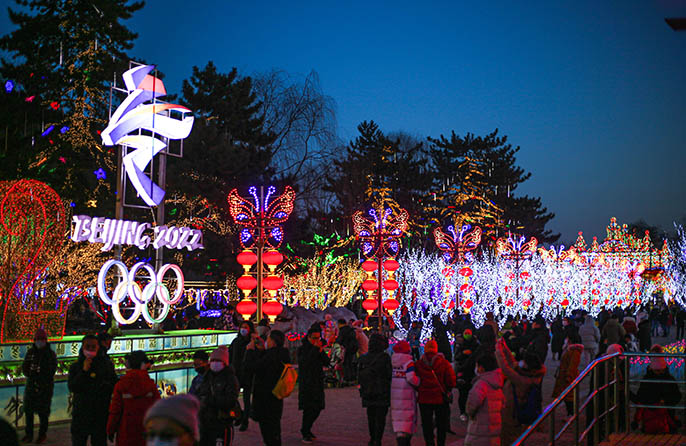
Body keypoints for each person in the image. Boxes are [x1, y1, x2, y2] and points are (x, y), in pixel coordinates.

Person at [68, 334, 117, 446]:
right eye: (87, 346)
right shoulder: (76, 366)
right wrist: (84, 371)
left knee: (99, 441)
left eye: (93, 347)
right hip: (81, 414)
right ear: (82, 347)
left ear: (98, 347)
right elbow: (73, 387)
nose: (90, 349)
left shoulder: (106, 365)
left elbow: (113, 384)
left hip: (100, 414)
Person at [495, 338, 546, 446]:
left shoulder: (521, 380)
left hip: (512, 413)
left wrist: (498, 350)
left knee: (509, 438)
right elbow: (512, 362)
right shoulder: (532, 375)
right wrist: (505, 348)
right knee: (518, 437)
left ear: (527, 365)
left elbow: (505, 367)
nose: (521, 362)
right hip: (518, 412)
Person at [244, 330, 291, 446]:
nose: (267, 341)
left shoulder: (271, 356)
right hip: (276, 396)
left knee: (268, 431)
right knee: (274, 428)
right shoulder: (282, 354)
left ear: (273, 342)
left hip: (265, 398)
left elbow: (252, 367)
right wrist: (263, 351)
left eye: (268, 339)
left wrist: (249, 351)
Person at [106, 350, 159, 446]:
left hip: (125, 433)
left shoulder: (121, 385)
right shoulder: (150, 385)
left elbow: (115, 411)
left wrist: (110, 430)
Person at [415, 339, 456, 446]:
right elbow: (451, 380)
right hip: (440, 397)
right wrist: (448, 389)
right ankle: (441, 443)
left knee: (426, 423)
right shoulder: (443, 362)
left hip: (424, 398)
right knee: (441, 423)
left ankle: (429, 443)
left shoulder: (419, 364)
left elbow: (415, 381)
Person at [197, 346, 240, 446]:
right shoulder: (207, 376)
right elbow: (201, 393)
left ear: (224, 362)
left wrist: (210, 400)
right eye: (213, 360)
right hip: (205, 423)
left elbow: (230, 400)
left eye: (218, 360)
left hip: (221, 423)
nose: (215, 363)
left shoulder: (230, 378)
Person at [21, 328, 57, 444]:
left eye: (42, 339)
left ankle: (42, 434)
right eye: (38, 339)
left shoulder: (50, 354)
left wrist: (40, 378)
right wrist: (32, 375)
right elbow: (25, 368)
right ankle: (29, 434)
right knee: (29, 411)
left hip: (45, 387)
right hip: (31, 386)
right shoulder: (30, 353)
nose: (40, 342)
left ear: (46, 340)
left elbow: (51, 371)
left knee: (43, 413)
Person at [632, 354, 682, 433]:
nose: (659, 373)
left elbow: (677, 396)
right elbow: (641, 397)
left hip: (666, 416)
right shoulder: (647, 380)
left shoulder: (669, 379)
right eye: (657, 371)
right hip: (651, 417)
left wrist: (665, 401)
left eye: (661, 370)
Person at [358, 333, 393, 446]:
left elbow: (359, 375)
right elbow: (389, 374)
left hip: (367, 391)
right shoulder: (384, 358)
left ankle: (372, 438)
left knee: (371, 416)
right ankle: (378, 439)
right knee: (380, 417)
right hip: (382, 391)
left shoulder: (363, 358)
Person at [297, 327, 330, 443]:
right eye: (314, 338)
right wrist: (315, 349)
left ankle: (307, 429)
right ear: (309, 337)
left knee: (318, 407)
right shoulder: (303, 349)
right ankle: (305, 431)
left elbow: (327, 362)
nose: (316, 340)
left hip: (317, 381)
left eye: (318, 338)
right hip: (307, 382)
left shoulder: (319, 348)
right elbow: (305, 362)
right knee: (308, 408)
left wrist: (321, 351)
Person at [464, 353, 505, 446]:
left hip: (479, 431)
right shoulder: (498, 384)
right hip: (494, 431)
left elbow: (471, 405)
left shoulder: (481, 385)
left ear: (481, 368)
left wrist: (470, 413)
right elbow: (503, 405)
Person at [390, 341, 420, 446]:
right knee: (407, 419)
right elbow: (411, 377)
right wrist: (418, 382)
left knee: (398, 417)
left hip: (394, 394)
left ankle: (400, 437)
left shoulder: (392, 362)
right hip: (407, 394)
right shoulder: (409, 362)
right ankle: (405, 440)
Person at [229, 320, 254, 431]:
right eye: (242, 327)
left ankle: (245, 421)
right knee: (232, 397)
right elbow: (230, 355)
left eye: (246, 327)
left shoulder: (252, 343)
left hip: (248, 373)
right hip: (236, 373)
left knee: (246, 399)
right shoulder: (236, 341)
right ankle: (239, 415)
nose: (243, 329)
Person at [551, 333, 584, 419]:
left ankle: (571, 414)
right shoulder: (568, 348)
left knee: (569, 396)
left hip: (568, 376)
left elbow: (573, 364)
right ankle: (569, 413)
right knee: (566, 395)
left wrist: (569, 375)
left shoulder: (575, 351)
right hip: (564, 374)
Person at [454, 328, 480, 422]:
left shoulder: (476, 345)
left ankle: (470, 411)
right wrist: (463, 353)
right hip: (463, 371)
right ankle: (463, 412)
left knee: (473, 393)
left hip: (472, 371)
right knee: (463, 393)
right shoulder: (460, 345)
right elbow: (456, 357)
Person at [336, 318, 359, 385]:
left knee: (346, 364)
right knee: (351, 364)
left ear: (340, 324)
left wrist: (335, 343)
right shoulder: (350, 329)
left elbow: (339, 340)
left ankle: (348, 378)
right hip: (353, 349)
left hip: (347, 349)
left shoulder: (343, 330)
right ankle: (353, 378)